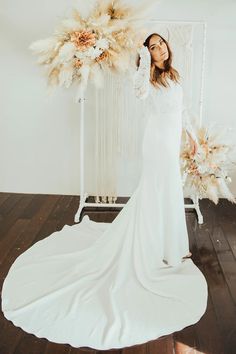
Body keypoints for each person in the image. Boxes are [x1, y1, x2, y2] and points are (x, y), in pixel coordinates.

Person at [1, 33, 208, 351]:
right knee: (154, 192)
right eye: (152, 47)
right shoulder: (147, 80)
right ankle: (152, 248)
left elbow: (183, 111)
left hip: (171, 142)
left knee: (170, 192)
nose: (159, 49)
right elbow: (138, 94)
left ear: (168, 47)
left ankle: (170, 246)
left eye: (161, 44)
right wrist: (140, 64)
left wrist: (193, 137)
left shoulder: (174, 76)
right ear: (147, 54)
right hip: (155, 144)